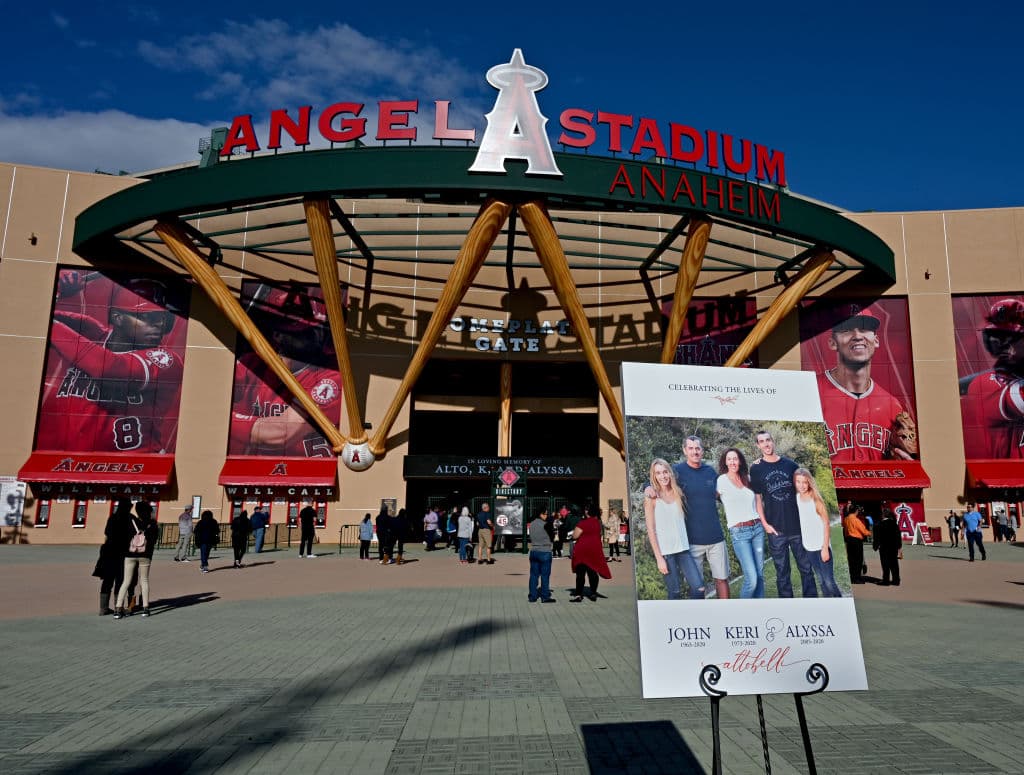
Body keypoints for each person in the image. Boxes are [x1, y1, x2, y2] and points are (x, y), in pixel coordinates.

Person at [37, 274, 185, 453]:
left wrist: (48, 324)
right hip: (76, 462)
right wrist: (59, 292)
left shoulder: (165, 360)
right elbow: (35, 318)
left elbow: (109, 368)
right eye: (148, 318)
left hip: (136, 464)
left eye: (163, 320)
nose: (158, 326)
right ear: (118, 317)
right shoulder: (93, 333)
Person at [228, 284, 342, 458]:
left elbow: (281, 432)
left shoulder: (331, 378)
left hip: (307, 474)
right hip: (257, 474)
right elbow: (212, 398)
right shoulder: (251, 363)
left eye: (315, 331)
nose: (317, 336)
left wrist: (222, 418)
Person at [816, 309, 914, 461]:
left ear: (875, 340)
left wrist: (906, 468)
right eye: (847, 330)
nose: (857, 336)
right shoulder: (811, 393)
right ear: (832, 343)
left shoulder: (892, 406)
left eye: (864, 329)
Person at [645, 436, 730, 599]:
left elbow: (723, 492)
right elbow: (656, 478)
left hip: (714, 537)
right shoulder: (677, 471)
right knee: (690, 588)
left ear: (702, 450)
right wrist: (647, 487)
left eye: (697, 448)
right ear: (684, 450)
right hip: (691, 542)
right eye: (690, 448)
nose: (694, 451)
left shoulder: (710, 472)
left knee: (718, 580)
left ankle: (725, 613)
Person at [750, 430, 817, 598]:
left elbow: (804, 491)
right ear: (758, 445)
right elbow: (757, 498)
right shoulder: (756, 469)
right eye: (762, 441)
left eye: (768, 440)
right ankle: (788, 606)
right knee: (782, 572)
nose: (766, 444)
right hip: (775, 529)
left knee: (806, 568)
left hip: (797, 527)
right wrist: (765, 524)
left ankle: (813, 604)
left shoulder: (790, 465)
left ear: (773, 441)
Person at [960, 299, 1024, 458]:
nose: (1003, 345)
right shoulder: (985, 384)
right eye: (998, 337)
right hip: (1010, 478)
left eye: (1010, 338)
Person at [645, 458, 704, 600]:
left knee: (699, 588)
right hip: (666, 553)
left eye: (665, 472)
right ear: (654, 476)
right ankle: (674, 621)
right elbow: (651, 530)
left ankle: (694, 617)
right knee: (675, 593)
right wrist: (659, 558)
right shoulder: (651, 498)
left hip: (683, 549)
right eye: (658, 473)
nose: (663, 476)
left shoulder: (679, 492)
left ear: (670, 473)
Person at [716, 448, 765, 599]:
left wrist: (760, 462)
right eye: (729, 459)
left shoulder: (747, 478)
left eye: (735, 459)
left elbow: (759, 500)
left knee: (760, 575)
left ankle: (760, 610)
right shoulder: (721, 481)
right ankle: (741, 610)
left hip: (757, 529)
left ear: (740, 461)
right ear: (725, 462)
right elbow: (704, 495)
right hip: (739, 533)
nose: (732, 462)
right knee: (752, 578)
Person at [794, 468, 842, 597]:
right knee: (820, 580)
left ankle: (840, 603)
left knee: (829, 581)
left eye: (804, 482)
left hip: (822, 547)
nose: (801, 485)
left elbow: (826, 524)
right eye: (798, 482)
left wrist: (825, 548)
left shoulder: (816, 500)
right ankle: (828, 607)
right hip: (809, 548)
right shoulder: (797, 499)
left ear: (809, 482)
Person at [114, 501, 159, 618]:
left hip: (130, 554)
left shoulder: (131, 521)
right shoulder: (153, 524)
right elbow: (154, 540)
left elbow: (124, 537)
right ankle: (145, 608)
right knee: (144, 580)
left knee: (126, 581)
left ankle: (118, 608)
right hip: (145, 555)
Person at [93, 498, 133, 615]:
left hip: (109, 552)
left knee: (107, 580)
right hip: (123, 553)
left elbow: (106, 533)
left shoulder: (112, 518)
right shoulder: (129, 519)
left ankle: (103, 608)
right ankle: (118, 607)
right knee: (120, 581)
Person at [569, 502, 612, 602]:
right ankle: (593, 593)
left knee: (580, 575)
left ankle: (578, 594)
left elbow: (575, 536)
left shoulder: (582, 523)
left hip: (582, 551)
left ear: (587, 511)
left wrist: (572, 535)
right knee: (592, 573)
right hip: (594, 551)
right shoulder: (597, 523)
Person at [527, 507, 556, 603]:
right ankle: (545, 596)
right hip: (545, 551)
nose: (547, 516)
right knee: (545, 575)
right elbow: (552, 538)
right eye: (545, 514)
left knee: (534, 575)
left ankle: (532, 596)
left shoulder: (531, 524)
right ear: (540, 514)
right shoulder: (546, 525)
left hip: (534, 550)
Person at [872, 507, 903, 585]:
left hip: (884, 547)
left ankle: (886, 580)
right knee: (894, 564)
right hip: (893, 547)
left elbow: (877, 537)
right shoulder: (894, 524)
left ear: (883, 515)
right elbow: (898, 536)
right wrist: (899, 546)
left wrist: (875, 546)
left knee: (885, 564)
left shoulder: (879, 524)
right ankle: (896, 580)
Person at [842, 504, 870, 584]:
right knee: (858, 560)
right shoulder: (856, 520)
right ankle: (857, 578)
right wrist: (870, 533)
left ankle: (852, 577)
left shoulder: (846, 519)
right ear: (856, 511)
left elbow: (845, 529)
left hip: (849, 540)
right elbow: (864, 531)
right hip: (857, 541)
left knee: (851, 560)